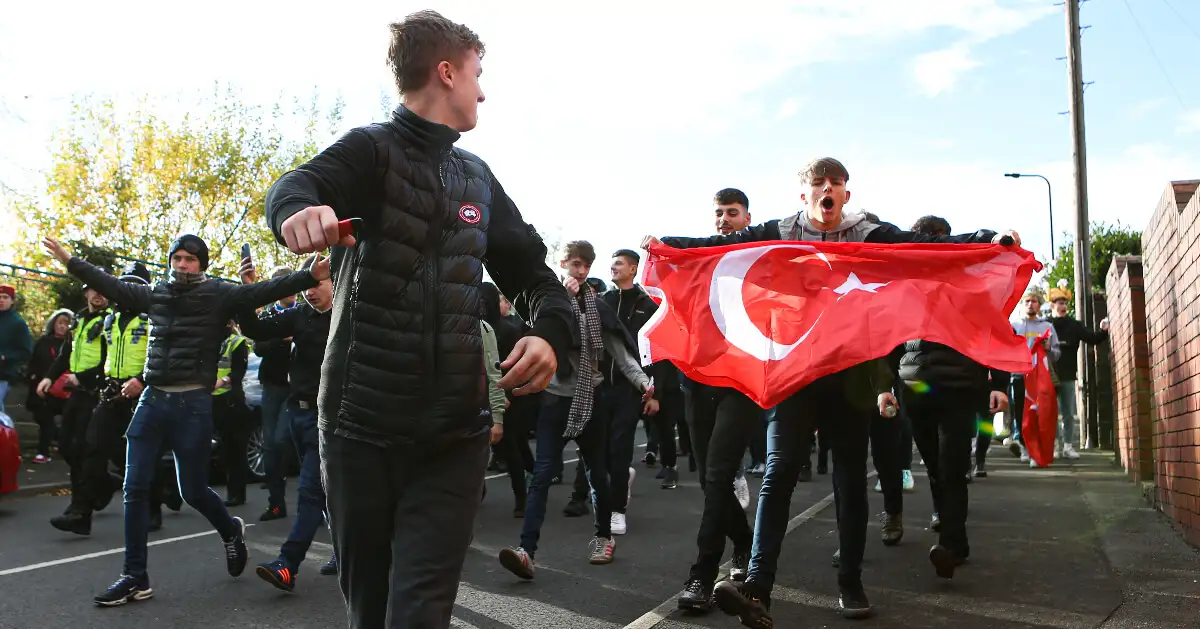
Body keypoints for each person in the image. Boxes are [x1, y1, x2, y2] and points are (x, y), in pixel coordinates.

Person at [263, 11, 573, 628]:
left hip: (453, 434)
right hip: (360, 427)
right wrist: (295, 213)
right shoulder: (369, 150)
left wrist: (549, 335)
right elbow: (296, 186)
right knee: (371, 613)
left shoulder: (479, 179)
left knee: (421, 614)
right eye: (477, 75)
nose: (483, 91)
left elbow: (537, 279)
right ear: (446, 71)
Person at [645, 157, 1020, 622]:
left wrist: (986, 240)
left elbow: (926, 248)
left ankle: (851, 582)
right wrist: (669, 247)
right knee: (778, 473)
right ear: (803, 194)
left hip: (851, 375)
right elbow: (719, 249)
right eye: (818, 183)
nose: (827, 189)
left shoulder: (868, 233)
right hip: (796, 373)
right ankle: (758, 587)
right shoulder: (780, 231)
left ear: (846, 193)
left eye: (836, 183)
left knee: (848, 477)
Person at [41, 233, 325, 606]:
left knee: (192, 490)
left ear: (201, 264)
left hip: (193, 404)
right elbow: (109, 284)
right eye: (177, 258)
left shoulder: (220, 294)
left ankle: (230, 531)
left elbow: (263, 293)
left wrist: (307, 277)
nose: (182, 264)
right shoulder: (156, 293)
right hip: (152, 400)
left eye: (190, 259)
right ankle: (134, 576)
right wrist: (69, 259)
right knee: (135, 487)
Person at [497, 248, 655, 579]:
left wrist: (643, 382)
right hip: (555, 399)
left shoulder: (598, 308)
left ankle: (603, 537)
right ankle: (526, 550)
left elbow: (619, 352)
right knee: (541, 475)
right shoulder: (548, 304)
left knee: (597, 472)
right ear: (564, 265)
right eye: (575, 264)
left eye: (585, 265)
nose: (580, 271)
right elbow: (531, 331)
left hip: (590, 398)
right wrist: (563, 303)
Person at [238, 254, 337, 591]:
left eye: (317, 283)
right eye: (306, 283)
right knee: (328, 490)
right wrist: (250, 291)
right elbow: (254, 330)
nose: (310, 291)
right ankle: (344, 549)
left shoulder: (351, 318)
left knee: (310, 491)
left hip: (332, 420)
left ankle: (287, 564)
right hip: (298, 413)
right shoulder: (300, 315)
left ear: (336, 282)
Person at [38, 282, 110, 533]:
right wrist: (49, 377)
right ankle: (106, 484)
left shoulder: (112, 321)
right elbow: (66, 353)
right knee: (66, 446)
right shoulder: (78, 320)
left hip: (98, 393)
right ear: (86, 293)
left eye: (102, 290)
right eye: (93, 289)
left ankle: (80, 512)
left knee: (84, 449)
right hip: (78, 393)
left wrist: (84, 378)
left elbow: (111, 361)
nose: (98, 294)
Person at [606, 248, 680, 490]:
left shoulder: (649, 303)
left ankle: (670, 467)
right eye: (612, 263)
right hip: (616, 381)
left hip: (649, 378)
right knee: (617, 435)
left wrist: (656, 392)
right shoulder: (604, 300)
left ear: (633, 269)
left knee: (662, 426)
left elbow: (660, 347)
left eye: (618, 263)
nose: (613, 267)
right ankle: (619, 478)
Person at [254, 265, 298, 522]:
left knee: (284, 438)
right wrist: (281, 338)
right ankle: (276, 504)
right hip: (272, 386)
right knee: (269, 446)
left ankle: (317, 504)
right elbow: (258, 347)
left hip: (299, 388)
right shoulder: (269, 315)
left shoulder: (306, 311)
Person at [1046, 283, 1108, 458]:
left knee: (1068, 413)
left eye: (1065, 303)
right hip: (1048, 374)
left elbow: (1092, 338)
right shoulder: (1046, 324)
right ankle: (1055, 446)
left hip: (1067, 374)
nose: (1063, 306)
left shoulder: (1074, 325)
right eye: (1059, 303)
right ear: (1052, 305)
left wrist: (1103, 331)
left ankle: (1067, 446)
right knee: (1050, 413)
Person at [1010, 291, 1061, 466]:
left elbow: (1056, 355)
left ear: (1039, 305)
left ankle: (1039, 450)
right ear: (1022, 305)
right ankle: (1026, 447)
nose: (1030, 304)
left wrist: (1048, 348)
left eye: (1034, 301)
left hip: (1041, 377)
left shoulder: (1047, 326)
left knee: (1041, 414)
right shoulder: (1014, 325)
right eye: (1027, 301)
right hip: (1019, 376)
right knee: (1021, 414)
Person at [213, 320, 251, 506]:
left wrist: (222, 381)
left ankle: (237, 493)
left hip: (230, 401)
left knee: (234, 450)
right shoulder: (209, 341)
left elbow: (238, 372)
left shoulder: (237, 342)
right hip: (209, 400)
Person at [26, 308, 72, 463]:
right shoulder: (43, 342)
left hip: (67, 390)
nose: (62, 327)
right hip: (44, 390)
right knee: (45, 420)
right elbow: (33, 362)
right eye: (59, 323)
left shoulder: (74, 344)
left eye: (66, 324)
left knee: (69, 421)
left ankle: (62, 444)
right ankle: (43, 452)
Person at [0, 284, 32, 415]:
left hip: (3, 374)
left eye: (5, 297)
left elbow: (25, 352)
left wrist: (5, 357)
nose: (1, 300)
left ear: (12, 300)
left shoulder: (18, 323)